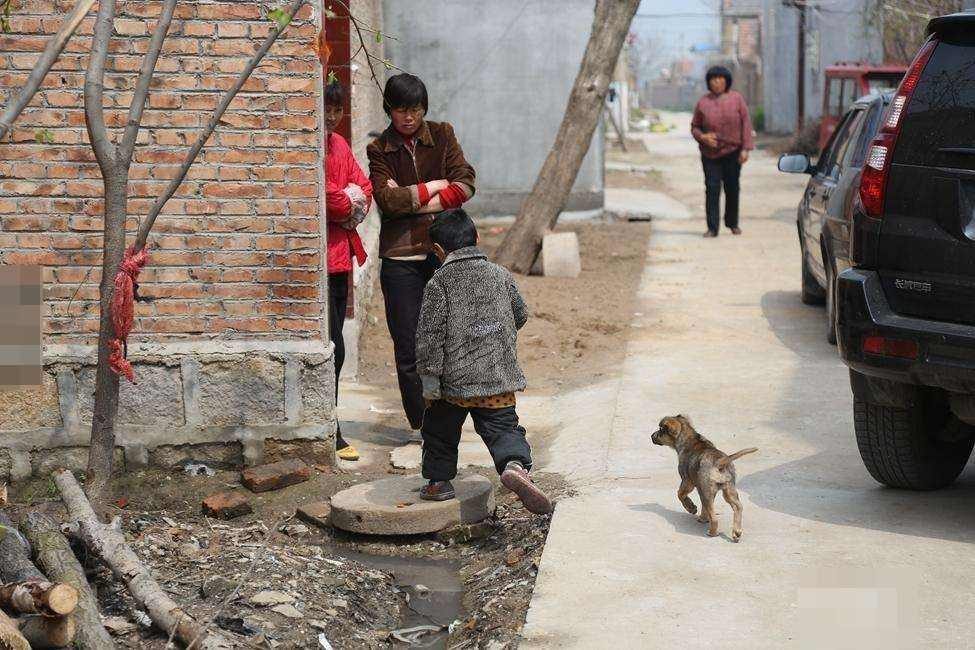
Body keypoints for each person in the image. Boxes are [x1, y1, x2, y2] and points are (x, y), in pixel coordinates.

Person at [414, 209, 552, 515]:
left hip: (454, 385)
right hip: (497, 378)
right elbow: (520, 315)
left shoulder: (439, 283)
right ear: (476, 238)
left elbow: (429, 338)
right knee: (504, 428)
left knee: (439, 431)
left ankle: (438, 483)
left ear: (438, 251)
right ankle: (515, 466)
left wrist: (429, 383)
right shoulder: (501, 275)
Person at [367, 73, 476, 437]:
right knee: (409, 347)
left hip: (443, 255)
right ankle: (423, 424)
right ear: (389, 111)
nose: (408, 117)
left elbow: (466, 183)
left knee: (451, 338)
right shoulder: (379, 149)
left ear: (423, 109)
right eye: (400, 110)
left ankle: (452, 417)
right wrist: (434, 187)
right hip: (399, 260)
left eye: (414, 109)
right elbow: (385, 201)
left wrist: (410, 198)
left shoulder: (442, 134)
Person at [324, 82, 372, 461]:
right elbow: (334, 200)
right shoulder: (313, 147)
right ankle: (330, 427)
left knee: (338, 346)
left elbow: (365, 188)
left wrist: (352, 198)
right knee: (329, 345)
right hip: (320, 260)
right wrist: (349, 197)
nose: (331, 116)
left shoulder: (339, 145)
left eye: (337, 110)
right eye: (326, 108)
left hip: (339, 259)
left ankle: (333, 421)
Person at [691, 65, 754, 238]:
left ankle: (732, 223)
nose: (717, 81)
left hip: (733, 152)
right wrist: (703, 138)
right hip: (710, 154)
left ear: (727, 81)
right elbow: (695, 127)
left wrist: (746, 149)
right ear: (708, 82)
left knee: (732, 188)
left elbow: (746, 124)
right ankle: (712, 227)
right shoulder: (703, 102)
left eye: (720, 78)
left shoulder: (737, 99)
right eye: (713, 79)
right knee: (712, 189)